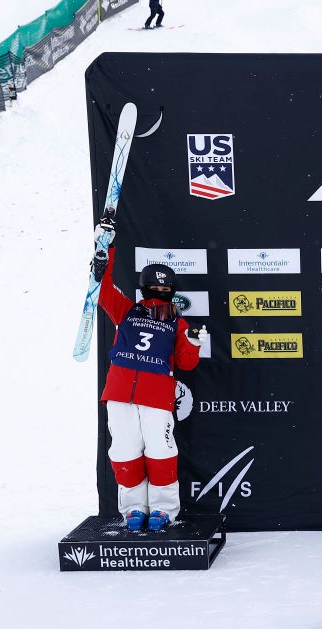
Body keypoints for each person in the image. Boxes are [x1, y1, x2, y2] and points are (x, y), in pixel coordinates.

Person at [93, 214, 207, 531]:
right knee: (124, 450)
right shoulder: (126, 310)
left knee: (160, 450)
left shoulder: (177, 321)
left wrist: (194, 343)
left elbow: (187, 364)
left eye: (165, 288)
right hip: (119, 392)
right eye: (154, 287)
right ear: (144, 289)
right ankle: (132, 509)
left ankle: (163, 509)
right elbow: (101, 292)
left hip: (157, 395)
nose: (159, 292)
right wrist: (105, 251)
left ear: (172, 292)